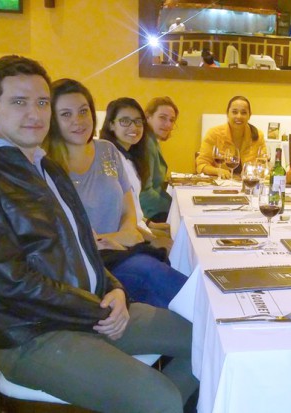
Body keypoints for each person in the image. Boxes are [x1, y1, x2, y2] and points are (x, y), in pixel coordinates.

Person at [0, 55, 197, 412]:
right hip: (34, 335)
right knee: (160, 398)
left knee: (207, 340)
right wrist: (96, 309)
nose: (35, 114)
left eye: (42, 103)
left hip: (92, 311)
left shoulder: (46, 166)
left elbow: (85, 246)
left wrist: (115, 289)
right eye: (19, 102)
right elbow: (11, 282)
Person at [44, 78, 186, 309]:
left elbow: (128, 209)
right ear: (52, 119)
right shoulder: (46, 165)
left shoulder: (107, 151)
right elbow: (60, 235)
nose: (78, 121)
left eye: (83, 111)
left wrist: (126, 234)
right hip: (86, 263)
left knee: (166, 280)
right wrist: (121, 238)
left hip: (123, 252)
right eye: (66, 114)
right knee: (152, 275)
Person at [101, 97, 173, 249]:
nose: (133, 127)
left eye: (137, 121)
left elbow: (132, 206)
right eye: (125, 121)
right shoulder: (110, 162)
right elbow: (118, 216)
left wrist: (149, 224)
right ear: (111, 124)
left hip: (139, 227)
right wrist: (152, 239)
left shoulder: (130, 157)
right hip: (125, 237)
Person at [196, 95, 266, 178]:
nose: (239, 116)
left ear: (249, 115)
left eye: (243, 113)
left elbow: (263, 165)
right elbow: (201, 165)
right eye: (234, 112)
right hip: (219, 183)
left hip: (248, 183)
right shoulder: (214, 134)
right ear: (227, 114)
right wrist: (218, 171)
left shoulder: (258, 136)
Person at [141, 96, 178, 224]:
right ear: (148, 117)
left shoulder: (152, 140)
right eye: (162, 118)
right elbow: (145, 194)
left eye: (172, 120)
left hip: (154, 207)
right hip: (148, 213)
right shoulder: (146, 144)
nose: (168, 124)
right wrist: (175, 207)